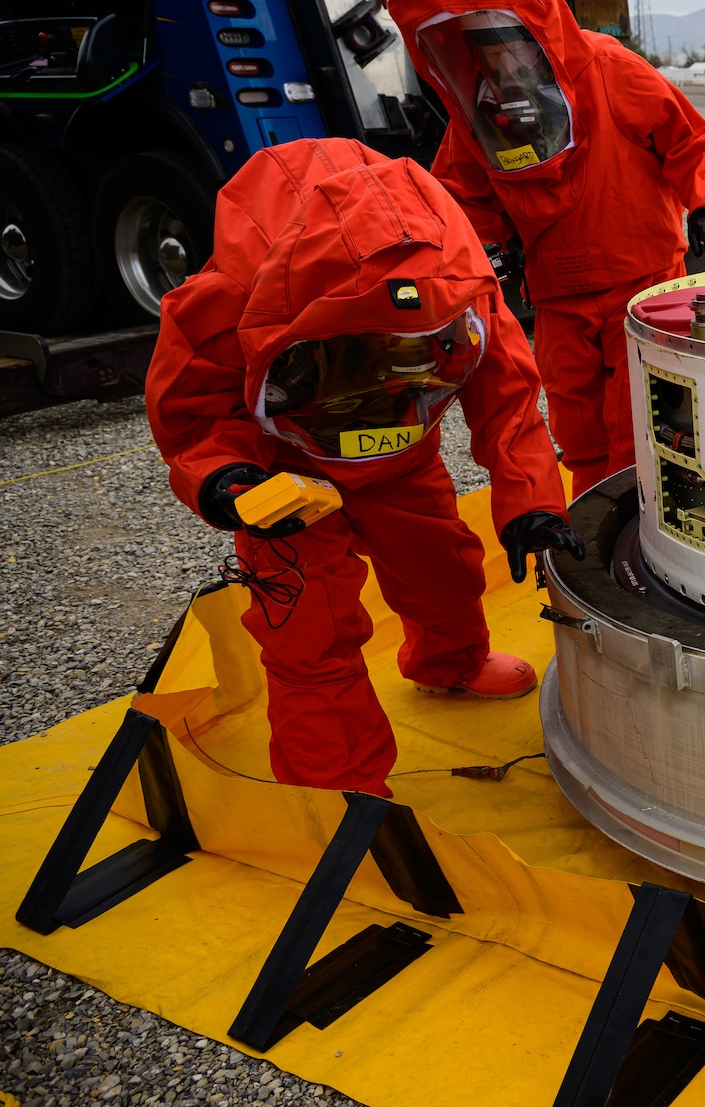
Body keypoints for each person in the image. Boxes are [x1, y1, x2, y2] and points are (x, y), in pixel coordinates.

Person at [146, 139, 583, 797]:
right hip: (286, 475)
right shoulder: (238, 290)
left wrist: (532, 502)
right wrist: (223, 476)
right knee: (308, 634)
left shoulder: (456, 284)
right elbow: (190, 404)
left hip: (402, 456)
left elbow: (509, 398)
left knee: (445, 571)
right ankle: (339, 796)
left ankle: (450, 661)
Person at [388, 0, 705, 493]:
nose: (501, 64)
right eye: (484, 51)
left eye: (509, 46)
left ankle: (641, 540)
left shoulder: (610, 69)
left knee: (641, 427)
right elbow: (460, 193)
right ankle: (598, 535)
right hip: (557, 298)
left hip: (641, 286)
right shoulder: (479, 111)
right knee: (580, 434)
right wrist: (486, 246)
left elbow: (689, 141)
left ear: (536, 30)